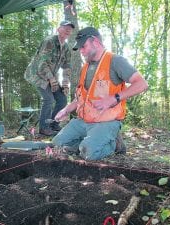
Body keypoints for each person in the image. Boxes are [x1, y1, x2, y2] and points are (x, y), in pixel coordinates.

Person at [52, 27, 148, 160]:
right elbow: (80, 98)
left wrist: (115, 98)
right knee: (57, 144)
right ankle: (87, 143)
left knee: (88, 153)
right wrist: (66, 110)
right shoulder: (85, 67)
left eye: (83, 46)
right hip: (83, 121)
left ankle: (114, 144)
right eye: (80, 48)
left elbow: (142, 84)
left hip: (106, 122)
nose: (81, 51)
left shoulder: (115, 61)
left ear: (95, 42)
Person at [24, 20, 75, 136]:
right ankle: (43, 127)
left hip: (50, 76)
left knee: (62, 99)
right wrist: (52, 80)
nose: (68, 30)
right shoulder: (49, 42)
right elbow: (42, 64)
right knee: (49, 99)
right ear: (58, 29)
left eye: (70, 28)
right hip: (37, 75)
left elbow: (67, 66)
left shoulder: (66, 47)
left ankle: (53, 124)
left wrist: (66, 84)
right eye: (65, 27)